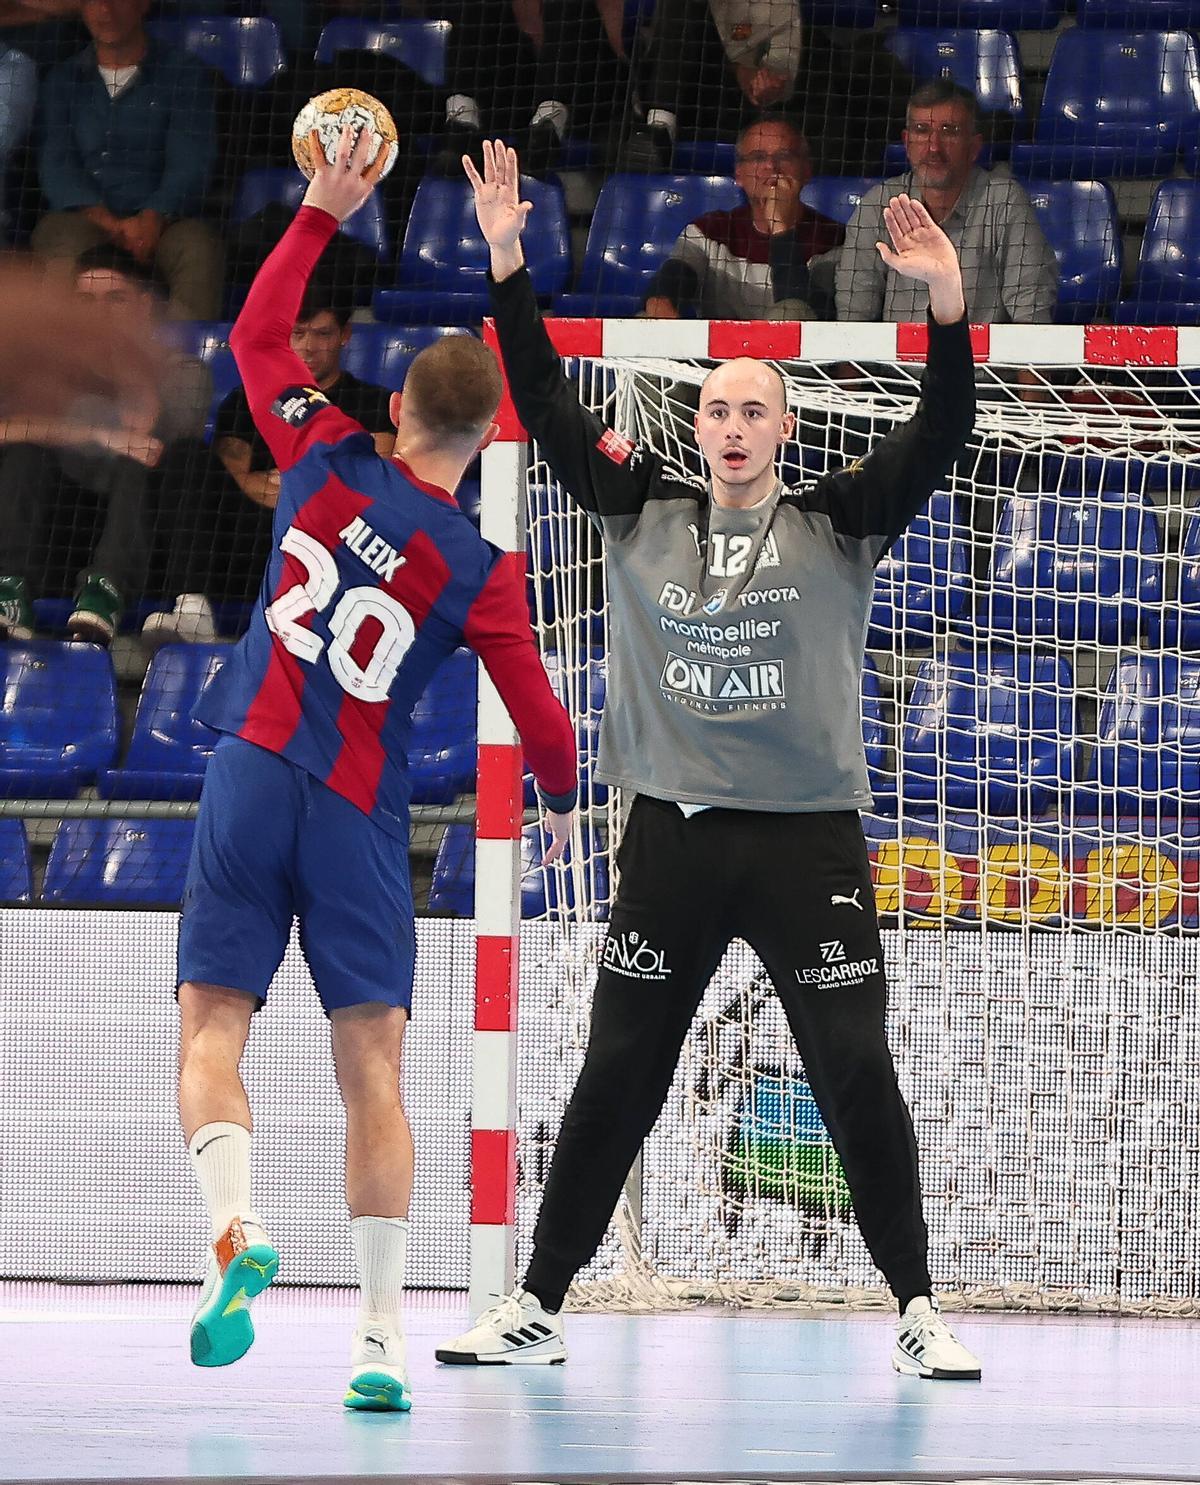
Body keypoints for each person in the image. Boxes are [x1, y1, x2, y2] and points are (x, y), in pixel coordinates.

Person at [438, 141, 983, 1381]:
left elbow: (943, 429)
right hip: (672, 844)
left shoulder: (838, 519)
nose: (734, 427)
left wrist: (947, 305)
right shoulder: (642, 511)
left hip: (806, 843)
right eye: (718, 410)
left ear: (785, 428)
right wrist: (509, 258)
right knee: (618, 1072)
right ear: (697, 426)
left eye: (754, 411)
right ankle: (538, 1302)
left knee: (855, 1069)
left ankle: (918, 1306)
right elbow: (544, 396)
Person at [175, 124, 578, 1413]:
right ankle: (380, 1344)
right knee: (374, 1070)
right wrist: (561, 801)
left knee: (212, 1028)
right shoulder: (484, 572)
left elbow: (255, 338)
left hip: (253, 767)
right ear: (493, 437)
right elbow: (546, 730)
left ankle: (235, 1227)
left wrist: (321, 209)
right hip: (358, 808)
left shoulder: (323, 453)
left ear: (397, 409)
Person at [145, 283, 400, 647]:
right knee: (187, 454)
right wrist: (313, 483)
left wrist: (285, 483)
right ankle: (192, 608)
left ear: (345, 335)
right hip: (250, 541)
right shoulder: (247, 399)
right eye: (298, 333)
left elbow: (370, 485)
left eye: (322, 334)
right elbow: (233, 478)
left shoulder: (374, 403)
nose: (308, 347)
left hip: (326, 544)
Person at [0, 244, 210, 642]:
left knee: (137, 456)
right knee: (25, 454)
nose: (98, 312)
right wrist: (98, 434)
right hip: (59, 534)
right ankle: (9, 589)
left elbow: (150, 437)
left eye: (115, 299)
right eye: (85, 301)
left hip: (143, 534)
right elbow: (7, 431)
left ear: (144, 306)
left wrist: (122, 360)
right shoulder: (48, 374)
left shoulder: (181, 369)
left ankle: (105, 594)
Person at [32, 0, 224, 319]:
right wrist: (106, 221)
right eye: (93, 1)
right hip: (84, 219)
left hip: (165, 223)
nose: (105, 11)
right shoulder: (62, 79)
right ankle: (65, 348)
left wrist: (153, 216)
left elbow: (192, 159)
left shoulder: (183, 73)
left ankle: (180, 350)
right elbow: (56, 163)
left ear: (142, 4)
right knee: (60, 241)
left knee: (198, 246)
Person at [837, 81, 1058, 324]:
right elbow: (852, 322)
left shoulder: (1004, 202)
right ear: (907, 142)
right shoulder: (879, 204)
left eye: (949, 131)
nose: (934, 147)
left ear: (974, 147)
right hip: (898, 351)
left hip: (977, 350)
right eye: (922, 130)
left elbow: (1031, 320)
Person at [624, 0, 911, 176]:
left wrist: (770, 81)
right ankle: (659, 129)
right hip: (697, 94)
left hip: (766, 99)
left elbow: (783, 56)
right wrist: (739, 69)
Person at [642, 118, 842, 321]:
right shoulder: (711, 230)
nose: (771, 166)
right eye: (758, 157)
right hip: (721, 341)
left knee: (791, 311)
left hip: (799, 340)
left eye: (784, 156)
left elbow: (803, 312)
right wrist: (660, 299)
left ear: (806, 170)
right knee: (646, 316)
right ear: (739, 174)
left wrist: (781, 228)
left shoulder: (834, 238)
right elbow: (672, 278)